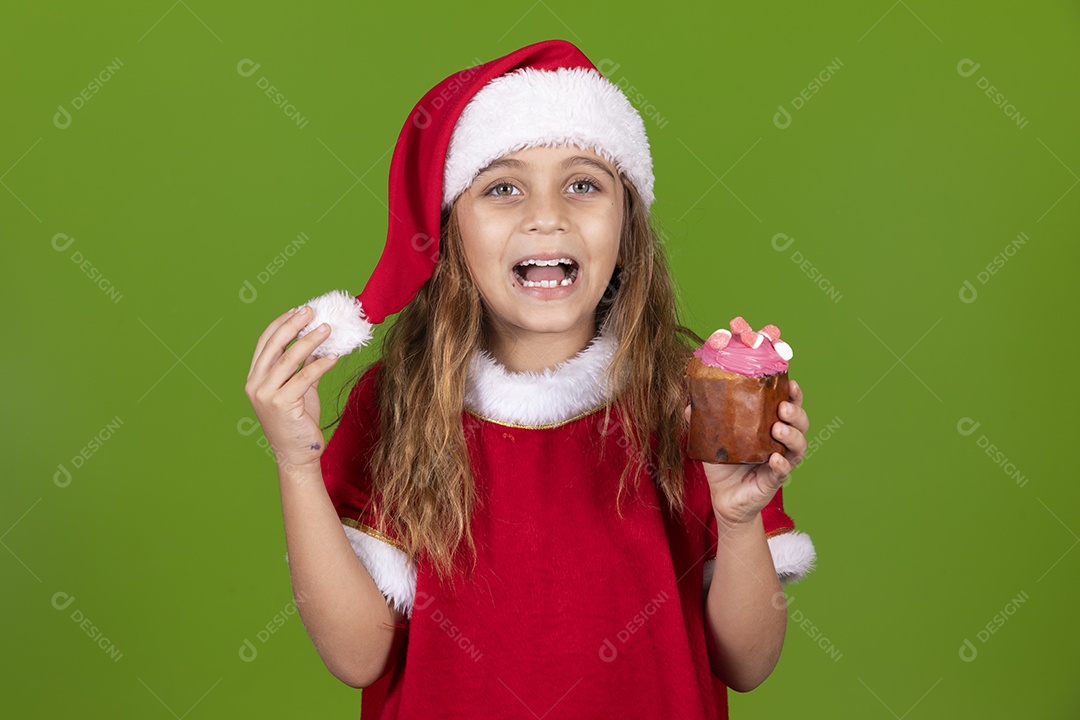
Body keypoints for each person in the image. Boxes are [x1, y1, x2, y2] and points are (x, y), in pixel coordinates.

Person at [245, 39, 816, 719]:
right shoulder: (398, 403)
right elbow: (359, 656)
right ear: (450, 230)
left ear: (628, 223)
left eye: (583, 184)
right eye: (503, 188)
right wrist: (296, 463)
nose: (547, 216)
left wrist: (738, 515)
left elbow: (747, 663)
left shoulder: (684, 401)